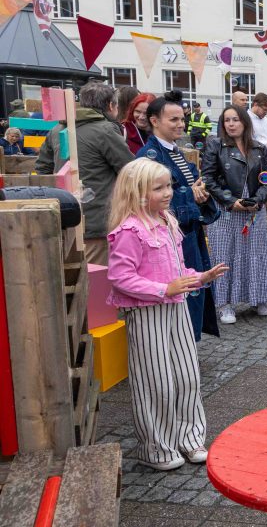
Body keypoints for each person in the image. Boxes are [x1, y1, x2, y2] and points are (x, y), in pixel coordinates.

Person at [105, 158, 228, 470]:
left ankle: (189, 439)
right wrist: (165, 289)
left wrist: (199, 277)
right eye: (158, 187)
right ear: (137, 192)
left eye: (169, 185)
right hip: (147, 313)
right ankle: (157, 447)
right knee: (156, 381)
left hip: (175, 309)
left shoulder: (167, 222)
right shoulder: (129, 231)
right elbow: (121, 278)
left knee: (188, 376)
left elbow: (176, 270)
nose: (168, 192)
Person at [135, 92, 221, 341]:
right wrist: (190, 196)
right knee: (180, 293)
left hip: (188, 234)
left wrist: (201, 192)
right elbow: (149, 201)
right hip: (168, 239)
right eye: (173, 120)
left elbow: (189, 189)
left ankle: (187, 345)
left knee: (194, 290)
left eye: (182, 119)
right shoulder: (147, 156)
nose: (181, 124)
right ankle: (178, 348)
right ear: (154, 121)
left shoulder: (175, 152)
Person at [35, 81, 135, 265]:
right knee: (96, 278)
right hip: (98, 220)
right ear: (111, 106)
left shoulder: (57, 129)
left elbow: (42, 169)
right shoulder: (105, 130)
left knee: (72, 275)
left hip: (64, 215)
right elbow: (131, 170)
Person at [201, 105, 267, 324]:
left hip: (253, 207)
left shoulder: (258, 147)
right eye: (227, 120)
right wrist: (230, 201)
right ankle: (225, 304)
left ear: (244, 122)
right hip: (226, 208)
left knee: (256, 252)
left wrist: (258, 200)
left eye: (235, 119)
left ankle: (259, 297)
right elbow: (208, 178)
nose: (231, 124)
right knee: (225, 254)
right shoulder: (215, 145)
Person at [249, 93, 267, 160]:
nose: (266, 113)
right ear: (255, 104)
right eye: (265, 110)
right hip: (254, 161)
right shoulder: (246, 119)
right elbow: (246, 141)